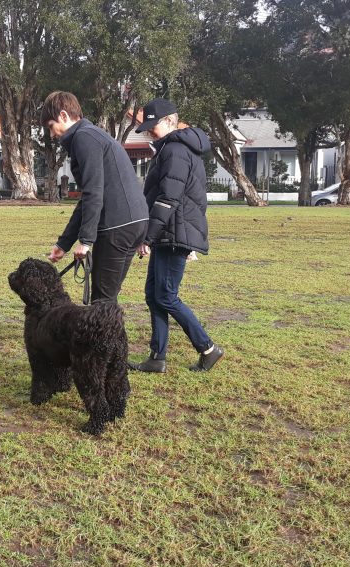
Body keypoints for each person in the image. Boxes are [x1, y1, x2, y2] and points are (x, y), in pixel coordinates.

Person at [128, 98, 224, 373]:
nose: (149, 131)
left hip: (174, 232)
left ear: (170, 121)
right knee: (153, 295)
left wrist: (148, 237)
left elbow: (168, 198)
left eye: (153, 126)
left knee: (166, 296)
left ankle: (208, 348)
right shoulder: (171, 149)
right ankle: (157, 357)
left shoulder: (176, 151)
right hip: (168, 232)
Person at [40, 91, 149, 303]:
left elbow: (93, 192)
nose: (52, 134)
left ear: (64, 116)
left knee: (102, 300)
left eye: (51, 126)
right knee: (107, 296)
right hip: (133, 222)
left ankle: (109, 337)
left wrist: (86, 241)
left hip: (118, 225)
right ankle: (111, 336)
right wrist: (64, 244)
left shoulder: (84, 138)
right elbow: (86, 199)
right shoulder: (92, 135)